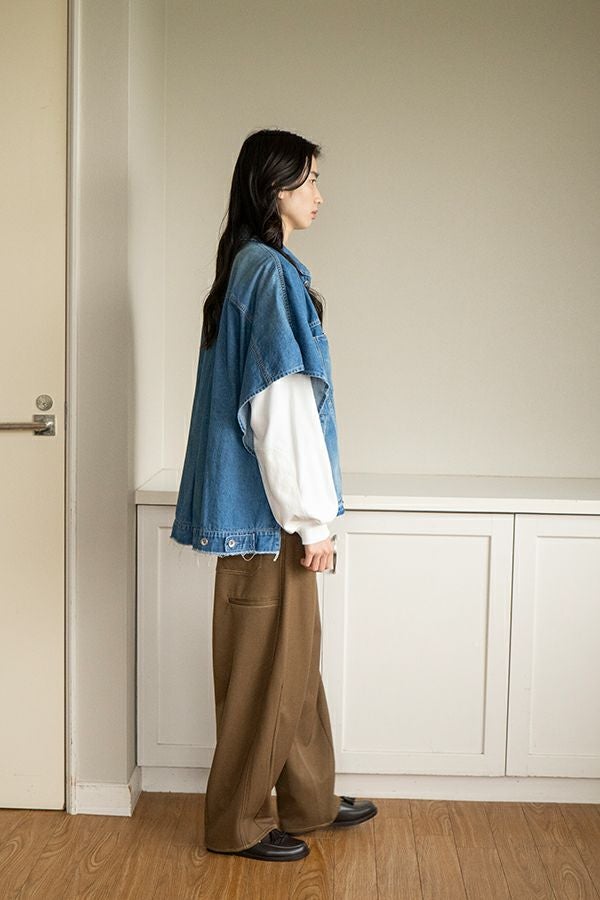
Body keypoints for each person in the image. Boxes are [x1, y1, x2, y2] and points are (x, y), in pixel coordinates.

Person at [170, 129, 377, 862]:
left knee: (295, 664)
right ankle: (236, 823)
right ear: (275, 188)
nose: (319, 194)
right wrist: (311, 521)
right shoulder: (267, 274)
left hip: (266, 521)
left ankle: (310, 799)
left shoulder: (257, 267)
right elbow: (277, 411)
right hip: (268, 524)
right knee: (265, 676)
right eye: (310, 179)